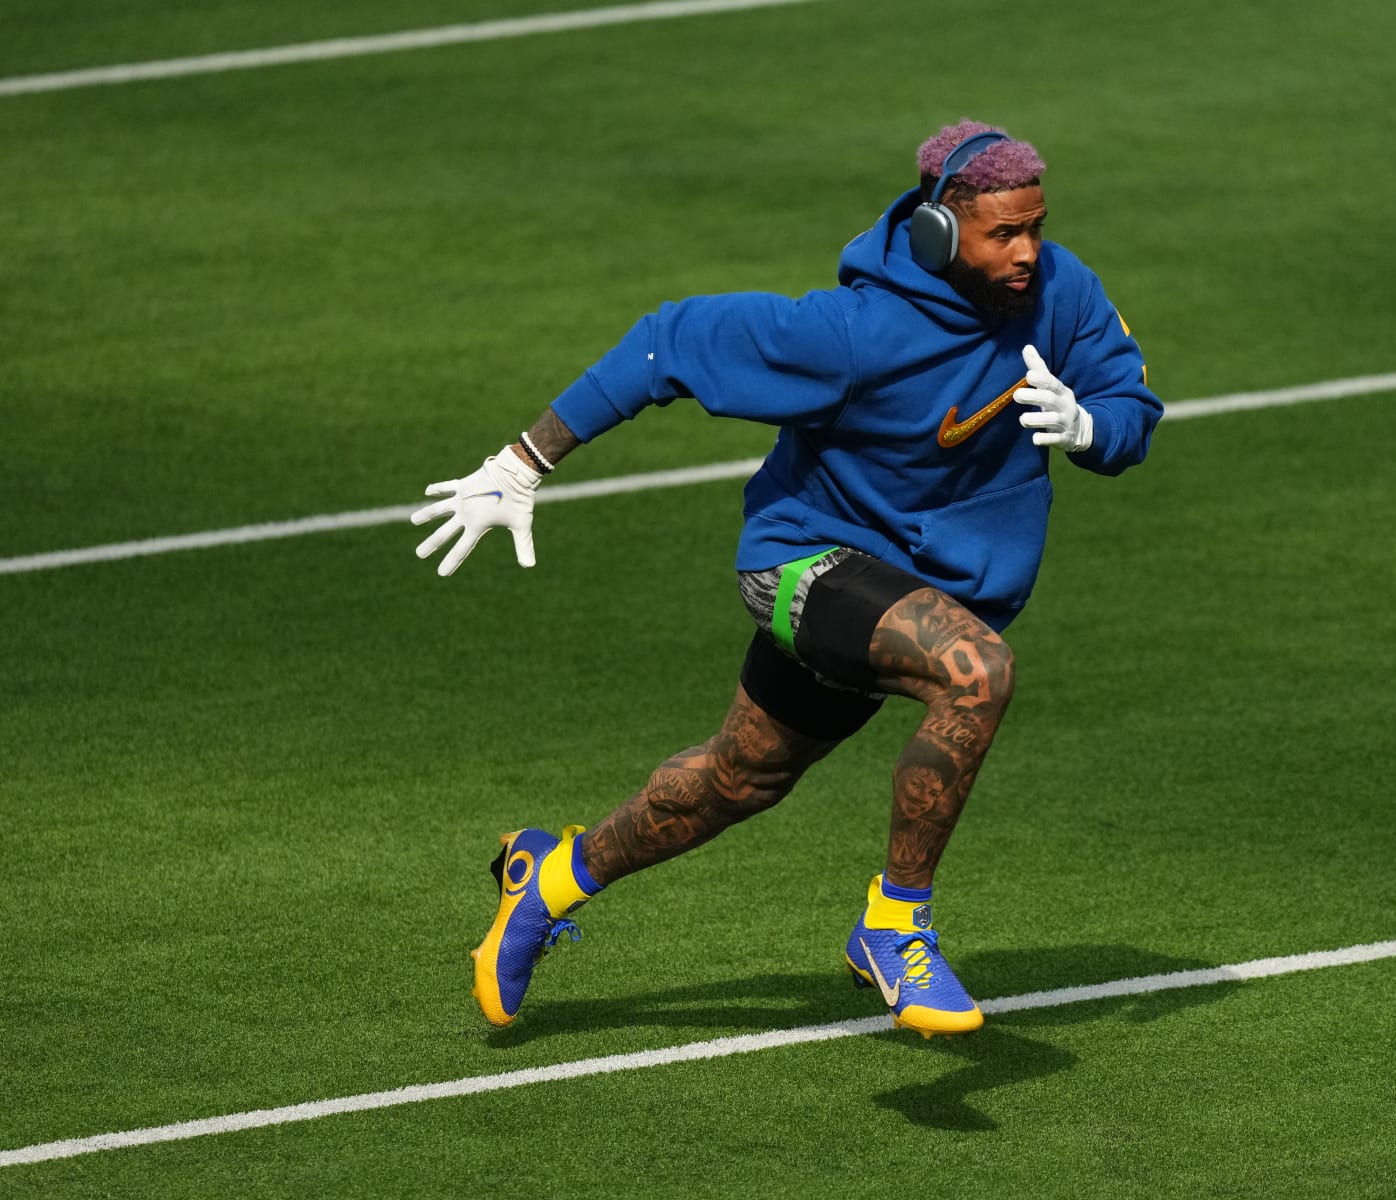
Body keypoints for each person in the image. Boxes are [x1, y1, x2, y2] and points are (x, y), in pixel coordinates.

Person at [413, 119, 1161, 1038]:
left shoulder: (1060, 289)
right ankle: (895, 927)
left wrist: (1092, 428)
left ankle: (549, 876)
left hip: (911, 590)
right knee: (978, 672)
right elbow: (670, 342)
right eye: (1004, 234)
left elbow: (1131, 403)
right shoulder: (853, 332)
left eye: (1036, 227)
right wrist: (524, 463)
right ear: (936, 230)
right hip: (806, 560)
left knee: (736, 780)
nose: (1028, 253)